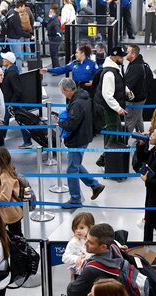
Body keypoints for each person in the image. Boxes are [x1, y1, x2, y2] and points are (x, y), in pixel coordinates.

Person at [59, 77, 104, 208]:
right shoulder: (84, 97)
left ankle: (75, 199)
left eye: (63, 92)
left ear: (68, 90)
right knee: (75, 165)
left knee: (71, 169)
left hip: (78, 139)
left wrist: (59, 122)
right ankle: (95, 185)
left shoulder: (77, 103)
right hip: (84, 136)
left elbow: (71, 125)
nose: (63, 94)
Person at [96, 45, 128, 164]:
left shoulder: (114, 70)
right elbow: (107, 94)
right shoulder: (110, 73)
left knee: (116, 131)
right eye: (121, 56)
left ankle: (106, 159)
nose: (123, 58)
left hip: (111, 108)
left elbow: (119, 84)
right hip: (109, 109)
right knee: (113, 133)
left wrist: (127, 91)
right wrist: (118, 108)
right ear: (114, 56)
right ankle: (104, 160)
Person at [63, 211, 95, 296]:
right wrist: (77, 259)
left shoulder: (93, 240)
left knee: (91, 293)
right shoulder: (73, 242)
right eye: (75, 228)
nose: (78, 231)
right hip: (79, 272)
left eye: (81, 227)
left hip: (91, 271)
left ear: (90, 227)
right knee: (80, 294)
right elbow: (65, 257)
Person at [0, 51, 33, 148]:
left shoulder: (12, 74)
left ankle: (0, 142)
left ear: (9, 61)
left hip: (11, 103)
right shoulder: (9, 72)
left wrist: (11, 103)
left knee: (5, 122)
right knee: (19, 121)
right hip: (11, 102)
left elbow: (18, 90)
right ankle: (27, 141)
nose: (2, 60)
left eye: (4, 59)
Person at [123, 44, 149, 134]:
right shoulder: (137, 63)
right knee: (138, 118)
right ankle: (142, 138)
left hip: (135, 99)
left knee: (130, 120)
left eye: (128, 51)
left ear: (133, 54)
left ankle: (125, 141)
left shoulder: (136, 67)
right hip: (141, 97)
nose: (126, 53)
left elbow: (128, 85)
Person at [4, 0, 33, 72]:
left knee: (13, 57)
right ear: (20, 6)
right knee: (18, 57)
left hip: (10, 37)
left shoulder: (10, 12)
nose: (24, 9)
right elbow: (19, 31)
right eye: (23, 7)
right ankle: (19, 72)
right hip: (14, 39)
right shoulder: (15, 16)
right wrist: (29, 36)